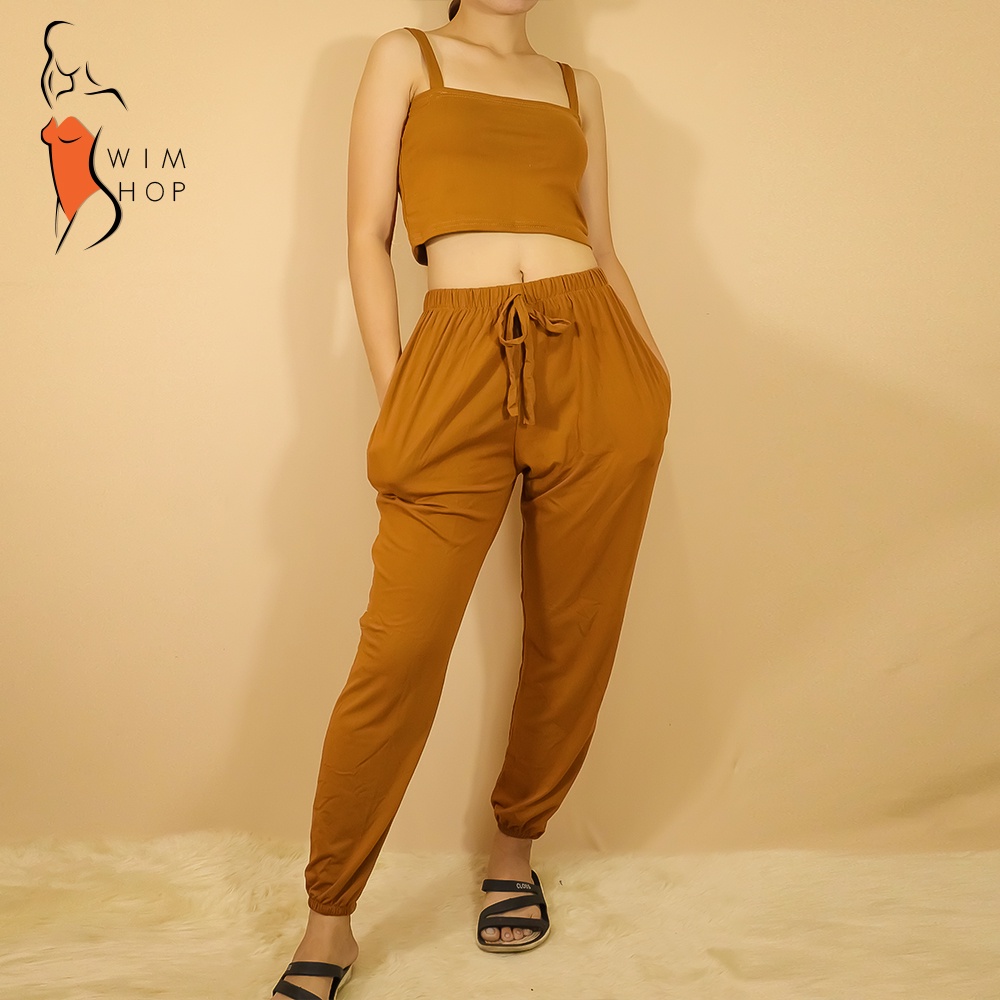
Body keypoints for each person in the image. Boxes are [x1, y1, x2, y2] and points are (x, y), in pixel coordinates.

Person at [271, 2, 671, 997]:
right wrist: (399, 386)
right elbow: (364, 235)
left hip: (596, 358)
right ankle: (330, 918)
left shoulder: (578, 88)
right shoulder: (407, 58)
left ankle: (513, 852)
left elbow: (604, 244)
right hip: (453, 356)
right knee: (399, 651)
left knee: (573, 631)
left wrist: (652, 378)